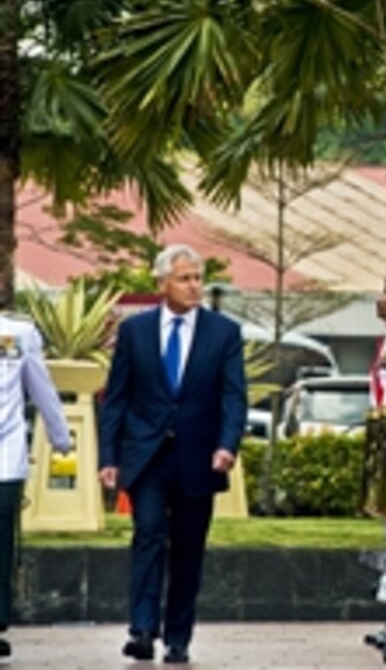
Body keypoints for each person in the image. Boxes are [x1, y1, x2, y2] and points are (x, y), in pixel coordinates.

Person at [98, 244, 246, 664]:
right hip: (147, 455)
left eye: (198, 277)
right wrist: (108, 457)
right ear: (162, 282)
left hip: (199, 457)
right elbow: (117, 400)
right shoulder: (135, 331)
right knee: (147, 535)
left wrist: (227, 445)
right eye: (184, 278)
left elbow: (234, 398)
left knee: (187, 547)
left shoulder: (224, 333)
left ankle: (178, 637)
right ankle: (142, 629)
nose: (194, 286)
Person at [0, 313, 72, 658]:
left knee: (1, 543)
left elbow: (40, 385)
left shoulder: (18, 333)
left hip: (4, 455)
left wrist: (60, 436)